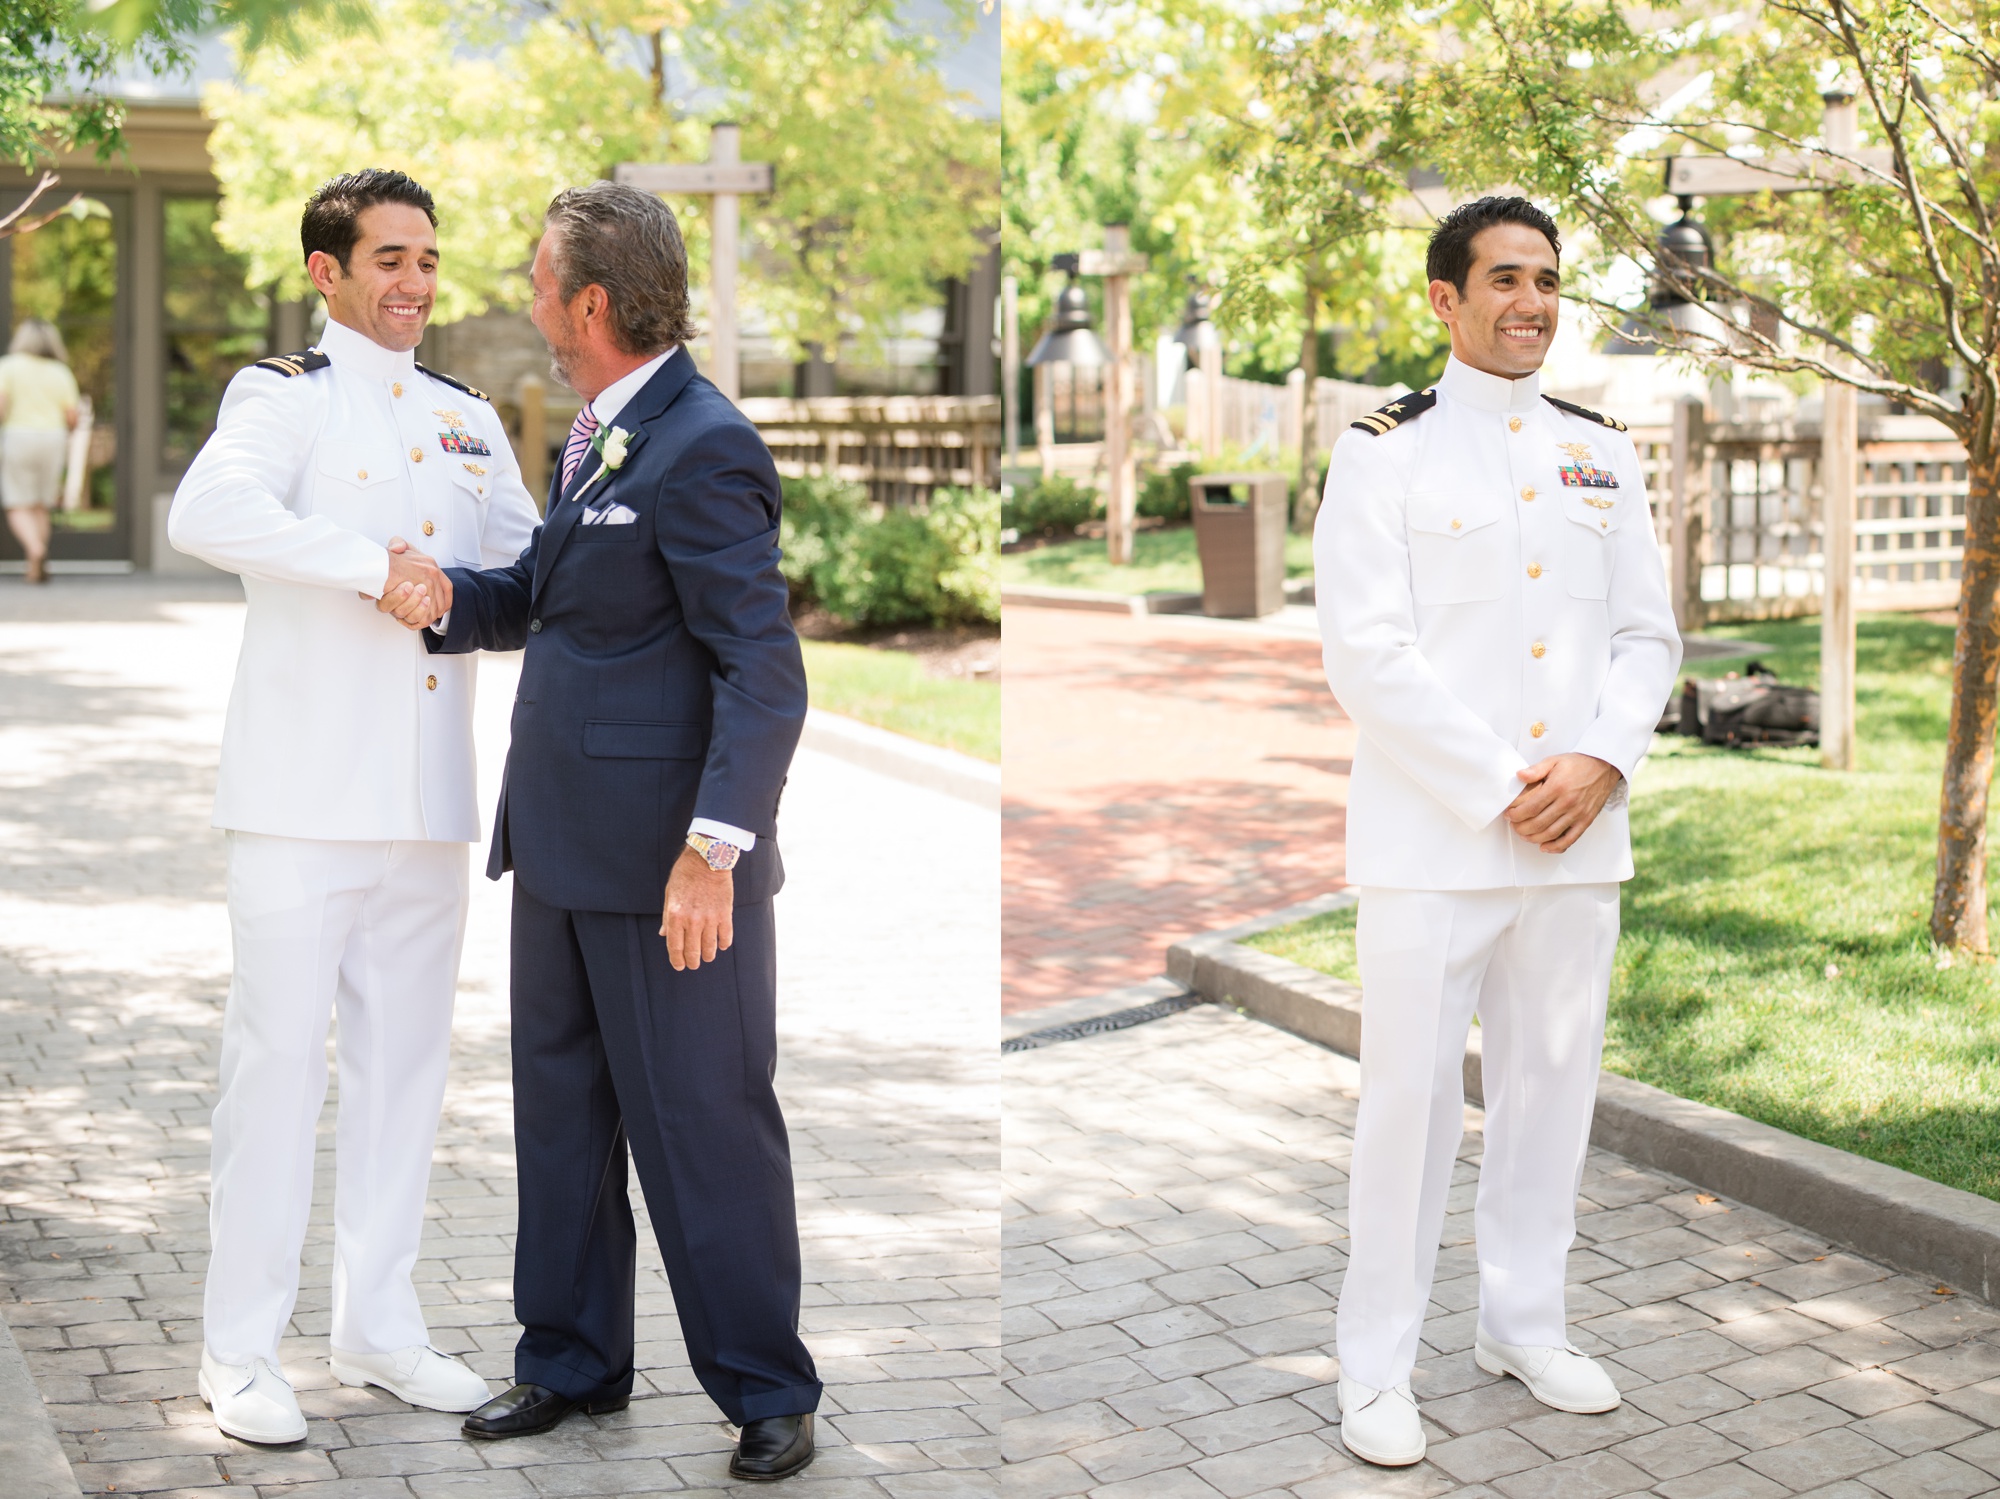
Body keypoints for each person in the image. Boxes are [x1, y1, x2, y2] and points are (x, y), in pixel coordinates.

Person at [382, 180, 821, 1483]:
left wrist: (715, 847)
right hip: (562, 851)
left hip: (673, 873)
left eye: (533, 279)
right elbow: (552, 594)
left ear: (588, 300)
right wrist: (442, 596)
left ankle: (767, 1388)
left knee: (703, 1122)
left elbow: (766, 671)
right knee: (562, 1117)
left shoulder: (704, 441)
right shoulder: (598, 435)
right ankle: (571, 1357)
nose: (523, 301)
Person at [167, 168, 541, 1445]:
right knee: (272, 1073)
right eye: (389, 259)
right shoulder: (282, 398)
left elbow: (532, 560)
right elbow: (209, 509)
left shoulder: (463, 415)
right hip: (299, 795)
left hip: (428, 798)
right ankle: (241, 1352)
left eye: (428, 259)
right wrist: (367, 564)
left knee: (404, 1075)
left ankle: (377, 1325)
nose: (415, 284)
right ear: (327, 272)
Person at [1314, 195, 1682, 1468]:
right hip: (1433, 842)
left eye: (1544, 279)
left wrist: (1597, 760)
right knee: (1408, 1108)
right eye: (1503, 279)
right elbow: (1365, 652)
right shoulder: (1382, 451)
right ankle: (1375, 1366)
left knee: (1549, 1089)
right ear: (1444, 299)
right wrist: (1499, 784)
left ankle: (1523, 1321)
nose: (1529, 301)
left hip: (1577, 836)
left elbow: (1645, 635)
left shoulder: (1603, 451)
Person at [0, 317, 81, 583]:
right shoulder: (60, 372)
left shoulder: (8, 367)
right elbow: (72, 416)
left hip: (18, 436)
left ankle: (35, 549)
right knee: (40, 505)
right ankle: (33, 563)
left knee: (18, 503)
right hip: (52, 438)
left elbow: (1, 409)